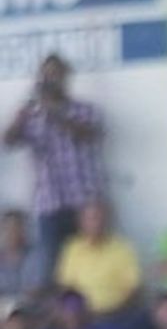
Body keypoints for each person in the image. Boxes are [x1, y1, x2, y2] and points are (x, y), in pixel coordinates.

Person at [3, 55, 103, 260]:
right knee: (53, 268)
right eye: (46, 74)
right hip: (48, 205)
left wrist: (53, 110)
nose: (51, 79)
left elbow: (88, 134)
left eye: (56, 74)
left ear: (66, 77)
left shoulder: (84, 110)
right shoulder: (33, 115)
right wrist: (22, 115)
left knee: (86, 263)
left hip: (82, 204)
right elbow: (8, 141)